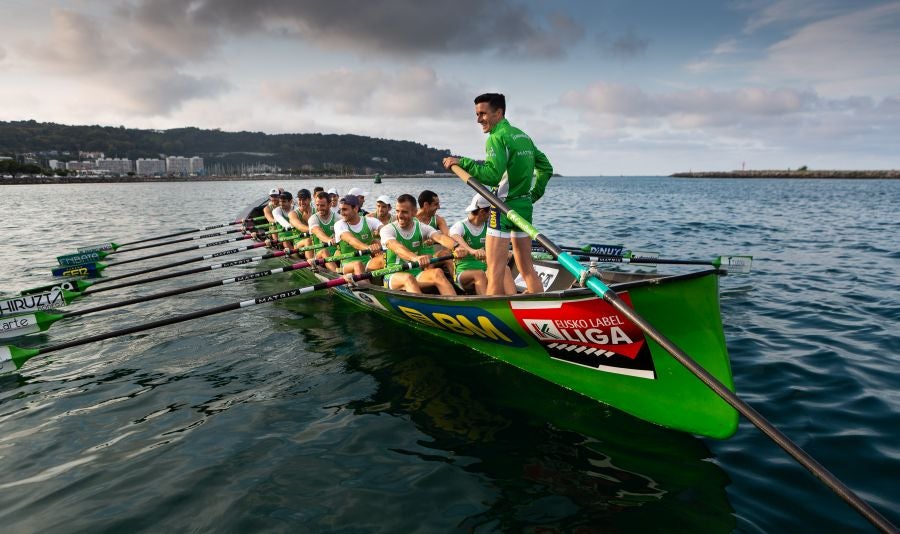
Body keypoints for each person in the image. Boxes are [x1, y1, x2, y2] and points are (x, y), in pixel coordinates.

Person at [442, 92, 553, 295]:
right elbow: (546, 169)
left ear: (499, 112)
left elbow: (492, 176)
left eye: (483, 114)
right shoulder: (523, 136)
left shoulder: (496, 138)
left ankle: (492, 314)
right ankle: (539, 303)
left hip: (502, 208)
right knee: (527, 268)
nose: (479, 120)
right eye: (477, 114)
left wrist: (462, 162)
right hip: (523, 208)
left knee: (494, 272)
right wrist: (532, 196)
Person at [380, 194, 466, 295]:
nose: (400, 215)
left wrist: (457, 247)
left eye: (404, 212)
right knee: (408, 278)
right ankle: (423, 304)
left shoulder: (422, 228)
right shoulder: (387, 229)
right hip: (392, 275)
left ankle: (453, 302)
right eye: (397, 211)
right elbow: (397, 247)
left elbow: (440, 237)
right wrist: (415, 258)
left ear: (414, 212)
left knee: (437, 272)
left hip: (416, 274)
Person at [449, 193, 516, 295]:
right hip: (462, 274)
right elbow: (453, 235)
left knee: (504, 269)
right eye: (491, 211)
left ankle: (513, 299)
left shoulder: (489, 227)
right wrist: (472, 250)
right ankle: (488, 302)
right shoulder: (461, 226)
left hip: (486, 270)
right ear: (482, 212)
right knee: (479, 274)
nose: (492, 214)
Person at [334, 194, 384, 278]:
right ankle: (365, 284)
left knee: (384, 259)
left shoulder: (370, 221)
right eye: (340, 210)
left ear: (356, 209)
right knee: (358, 264)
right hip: (347, 265)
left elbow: (385, 230)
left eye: (345, 209)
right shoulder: (339, 224)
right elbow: (352, 240)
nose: (341, 213)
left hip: (368, 263)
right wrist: (368, 248)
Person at [307, 191, 339, 272]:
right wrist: (329, 240)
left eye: (322, 205)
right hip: (319, 256)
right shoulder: (313, 219)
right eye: (317, 205)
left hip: (335, 253)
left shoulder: (338, 218)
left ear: (330, 204)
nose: (319, 208)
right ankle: (337, 275)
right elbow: (318, 232)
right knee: (324, 252)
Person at [288, 189, 313, 254]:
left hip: (315, 241)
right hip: (298, 244)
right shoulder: (292, 214)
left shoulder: (316, 211)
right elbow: (300, 227)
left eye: (304, 200)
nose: (301, 202)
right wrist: (309, 221)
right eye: (299, 200)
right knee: (308, 240)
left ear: (310, 200)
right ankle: (311, 260)